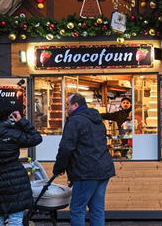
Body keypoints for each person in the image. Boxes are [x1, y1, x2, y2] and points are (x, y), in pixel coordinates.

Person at [0, 98, 42, 226]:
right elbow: (36, 138)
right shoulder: (12, 133)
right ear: (8, 114)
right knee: (15, 217)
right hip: (14, 180)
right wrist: (21, 122)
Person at [53, 93, 116, 226]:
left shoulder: (75, 120)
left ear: (76, 105)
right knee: (97, 208)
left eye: (68, 105)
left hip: (85, 170)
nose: (66, 108)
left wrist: (59, 167)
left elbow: (66, 147)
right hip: (104, 168)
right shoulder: (97, 120)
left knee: (77, 209)